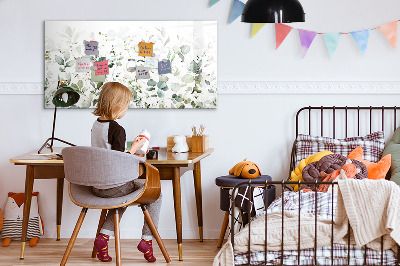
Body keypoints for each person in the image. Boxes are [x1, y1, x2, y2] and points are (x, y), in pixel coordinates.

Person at [91, 82, 161, 263]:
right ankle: (147, 240)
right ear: (117, 105)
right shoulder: (117, 129)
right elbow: (119, 161)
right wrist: (136, 148)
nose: (126, 109)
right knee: (156, 194)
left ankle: (103, 238)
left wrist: (131, 149)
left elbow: (108, 154)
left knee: (121, 197)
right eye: (126, 105)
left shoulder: (96, 125)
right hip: (114, 186)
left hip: (97, 186)